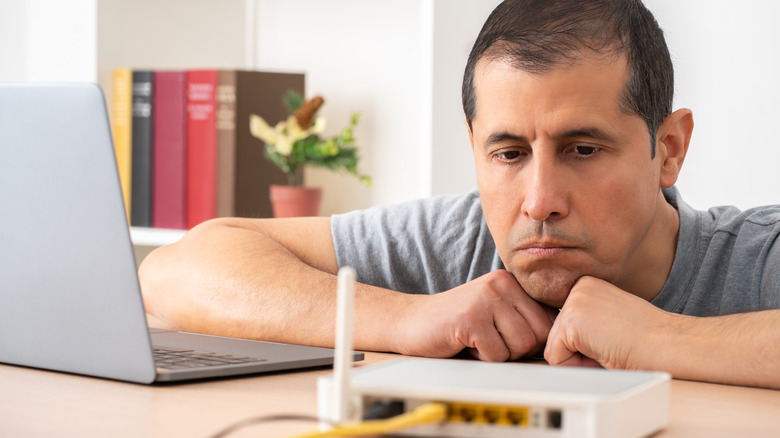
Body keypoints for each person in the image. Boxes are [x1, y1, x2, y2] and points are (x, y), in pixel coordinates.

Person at [139, 0, 780, 389]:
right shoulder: (454, 241)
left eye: (583, 150)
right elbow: (176, 271)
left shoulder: (755, 257)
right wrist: (407, 320)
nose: (538, 201)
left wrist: (657, 340)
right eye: (509, 154)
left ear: (667, 149)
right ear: (474, 146)